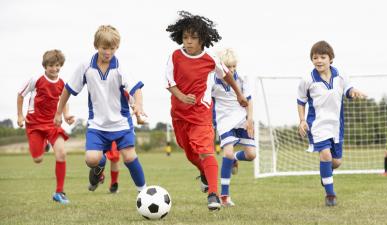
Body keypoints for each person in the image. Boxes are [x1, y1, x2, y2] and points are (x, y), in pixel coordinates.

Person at [165, 11, 248, 210]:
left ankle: (213, 195)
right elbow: (169, 82)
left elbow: (227, 75)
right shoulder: (175, 56)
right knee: (190, 154)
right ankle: (204, 173)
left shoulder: (210, 59)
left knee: (205, 151)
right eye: (185, 37)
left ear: (202, 39)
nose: (188, 41)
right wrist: (182, 97)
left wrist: (238, 94)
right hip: (179, 114)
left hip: (201, 113)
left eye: (193, 38)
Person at [54, 25, 147, 193]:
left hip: (121, 123)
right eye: (104, 48)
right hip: (97, 125)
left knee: (129, 156)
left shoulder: (120, 67)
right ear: (96, 45)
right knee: (91, 159)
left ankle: (144, 192)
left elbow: (136, 89)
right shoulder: (85, 66)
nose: (108, 52)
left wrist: (139, 105)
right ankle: (99, 166)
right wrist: (59, 112)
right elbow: (67, 89)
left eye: (112, 48)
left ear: (117, 47)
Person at [297, 41, 366, 206]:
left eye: (323, 57)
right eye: (315, 57)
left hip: (336, 125)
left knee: (336, 162)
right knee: (325, 155)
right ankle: (330, 195)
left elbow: (348, 90)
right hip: (317, 125)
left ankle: (325, 174)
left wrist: (353, 92)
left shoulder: (341, 74)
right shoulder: (307, 79)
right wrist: (302, 120)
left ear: (331, 59)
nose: (319, 60)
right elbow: (300, 101)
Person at [17, 49, 74, 204]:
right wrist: (20, 115)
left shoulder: (63, 84)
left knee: (62, 153)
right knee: (38, 159)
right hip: (34, 124)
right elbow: (20, 95)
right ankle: (44, 145)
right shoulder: (35, 80)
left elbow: (64, 101)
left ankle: (59, 193)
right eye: (51, 65)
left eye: (57, 65)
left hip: (52, 124)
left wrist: (66, 115)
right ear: (45, 66)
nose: (54, 69)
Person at [212, 48, 256, 207]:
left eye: (234, 67)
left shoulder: (243, 79)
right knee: (227, 152)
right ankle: (224, 195)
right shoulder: (212, 81)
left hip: (242, 118)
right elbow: (209, 103)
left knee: (251, 155)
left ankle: (234, 160)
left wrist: (250, 119)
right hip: (224, 121)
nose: (231, 70)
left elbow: (249, 100)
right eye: (228, 67)